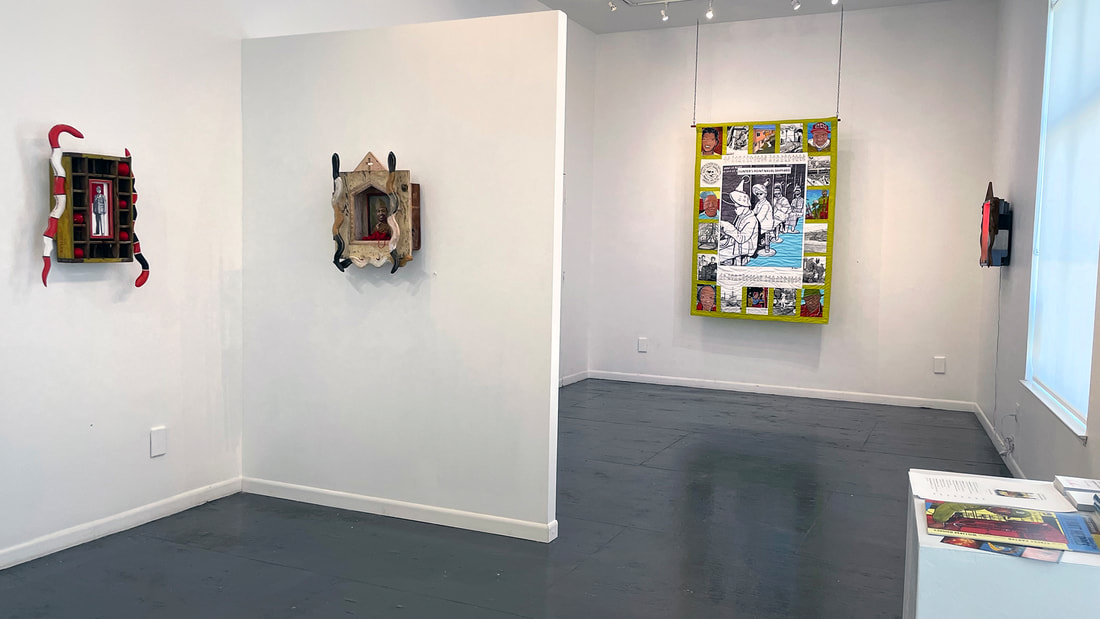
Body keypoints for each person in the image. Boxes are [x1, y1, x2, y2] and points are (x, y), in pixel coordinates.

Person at [723, 180, 759, 266]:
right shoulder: (741, 216)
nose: (735, 209)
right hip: (737, 244)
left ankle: (738, 262)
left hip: (745, 247)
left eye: (737, 206)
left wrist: (728, 227)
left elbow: (742, 238)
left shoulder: (751, 220)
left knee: (720, 254)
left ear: (744, 206)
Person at [751, 183, 776, 257]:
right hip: (761, 222)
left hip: (766, 223)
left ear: (765, 194)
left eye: (760, 194)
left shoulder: (766, 204)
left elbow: (760, 217)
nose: (759, 195)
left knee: (752, 230)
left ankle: (756, 247)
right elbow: (754, 211)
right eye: (757, 194)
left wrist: (752, 221)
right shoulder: (759, 203)